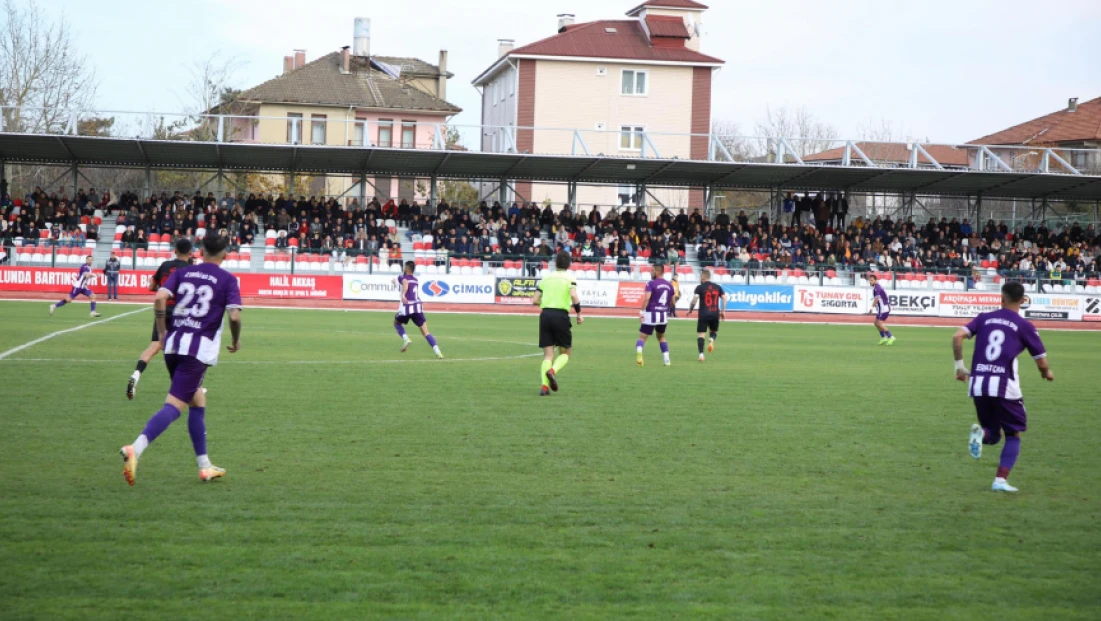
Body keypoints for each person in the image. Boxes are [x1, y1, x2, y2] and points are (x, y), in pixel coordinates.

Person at [119, 234, 243, 486]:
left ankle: (204, 465)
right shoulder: (228, 279)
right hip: (196, 352)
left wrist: (163, 332)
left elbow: (159, 297)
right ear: (225, 255)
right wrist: (236, 340)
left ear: (201, 251)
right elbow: (234, 316)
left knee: (197, 400)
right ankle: (136, 448)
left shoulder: (184, 272)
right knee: (174, 406)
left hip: (173, 345)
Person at [952, 282, 1052, 493]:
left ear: (1001, 298)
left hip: (978, 384)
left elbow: (957, 336)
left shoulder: (984, 318)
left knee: (994, 435)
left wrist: (960, 367)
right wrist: (1046, 374)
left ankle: (981, 434)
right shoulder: (1024, 326)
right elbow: (1042, 363)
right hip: (1005, 387)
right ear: (1023, 301)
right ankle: (1000, 480)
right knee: (1013, 434)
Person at [127, 238, 194, 400]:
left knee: (154, 346)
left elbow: (151, 286)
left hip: (163, 310)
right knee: (187, 349)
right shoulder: (192, 270)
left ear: (175, 250)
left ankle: (136, 374)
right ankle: (192, 386)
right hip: (182, 313)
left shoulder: (165, 266)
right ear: (191, 253)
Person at [532, 251, 582, 396]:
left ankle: (544, 387)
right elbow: (573, 295)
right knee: (566, 352)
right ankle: (552, 371)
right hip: (560, 316)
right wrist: (579, 314)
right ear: (569, 264)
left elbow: (534, 300)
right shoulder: (569, 278)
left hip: (545, 315)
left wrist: (547, 302)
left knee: (548, 355)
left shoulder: (546, 278)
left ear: (555, 263)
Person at [393, 260, 443, 359]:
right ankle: (438, 352)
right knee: (426, 332)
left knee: (396, 323)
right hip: (417, 307)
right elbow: (404, 287)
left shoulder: (403, 278)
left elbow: (405, 284)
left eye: (404, 267)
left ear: (407, 268)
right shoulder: (416, 280)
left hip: (408, 307)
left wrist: (403, 294)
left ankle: (406, 339)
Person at [636, 263, 675, 367]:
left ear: (657, 272)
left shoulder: (651, 284)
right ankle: (667, 359)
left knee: (642, 337)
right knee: (661, 336)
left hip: (650, 313)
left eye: (652, 270)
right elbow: (673, 303)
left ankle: (639, 353)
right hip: (663, 315)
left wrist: (641, 312)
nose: (651, 272)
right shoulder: (670, 285)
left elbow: (647, 298)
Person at [687, 269, 727, 362]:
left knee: (701, 335)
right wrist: (723, 311)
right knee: (714, 331)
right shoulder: (717, 287)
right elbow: (725, 298)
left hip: (703, 313)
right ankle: (712, 339)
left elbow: (695, 299)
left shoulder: (699, 287)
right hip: (714, 313)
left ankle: (701, 355)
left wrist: (690, 310)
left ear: (703, 277)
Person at [868, 274, 895, 346]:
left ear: (875, 280)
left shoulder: (877, 288)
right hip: (881, 308)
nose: (870, 282)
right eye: (869, 280)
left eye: (871, 280)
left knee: (879, 323)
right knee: (876, 323)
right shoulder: (876, 287)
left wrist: (871, 308)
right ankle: (884, 338)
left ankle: (891, 337)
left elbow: (876, 299)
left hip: (884, 308)